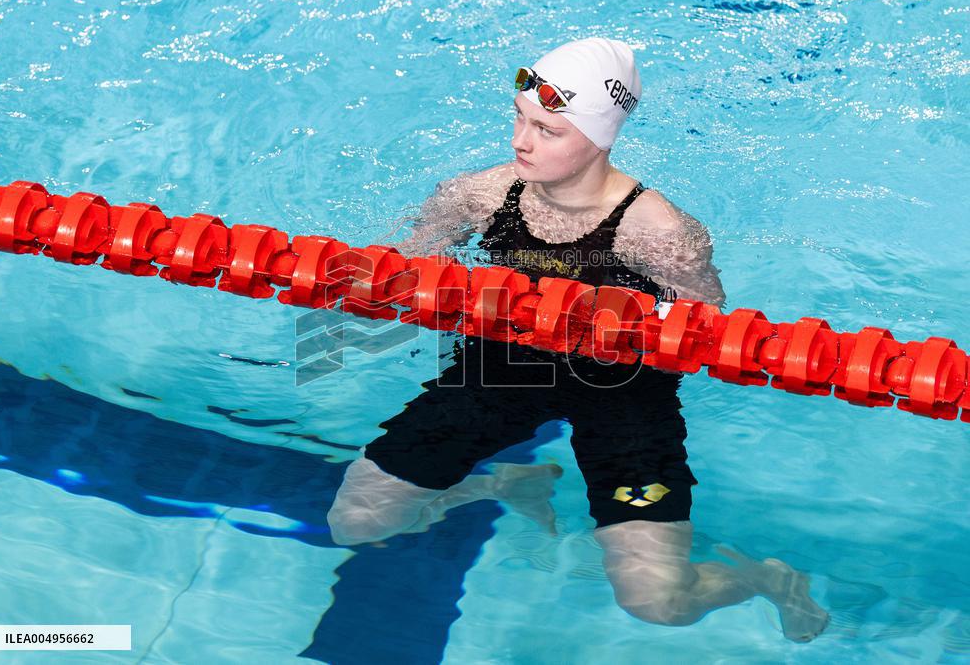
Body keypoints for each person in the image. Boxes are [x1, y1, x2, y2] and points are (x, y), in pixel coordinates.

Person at [328, 38, 828, 642]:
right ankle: (500, 483)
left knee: (658, 601)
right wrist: (367, 294)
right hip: (495, 376)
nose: (520, 140)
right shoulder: (479, 195)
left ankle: (766, 578)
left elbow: (705, 338)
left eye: (547, 128)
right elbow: (394, 271)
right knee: (355, 522)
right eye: (518, 117)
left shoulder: (661, 232)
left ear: (600, 137)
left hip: (624, 401)